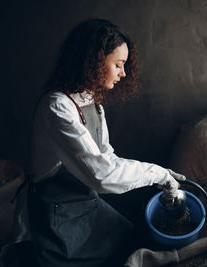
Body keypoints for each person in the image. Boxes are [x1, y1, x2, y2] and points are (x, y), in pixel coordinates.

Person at [13, 18, 186, 267]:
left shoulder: (93, 102)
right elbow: (102, 175)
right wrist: (156, 174)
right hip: (57, 218)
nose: (124, 73)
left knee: (137, 245)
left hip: (86, 205)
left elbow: (107, 158)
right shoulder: (57, 108)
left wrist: (159, 175)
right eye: (119, 64)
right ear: (94, 60)